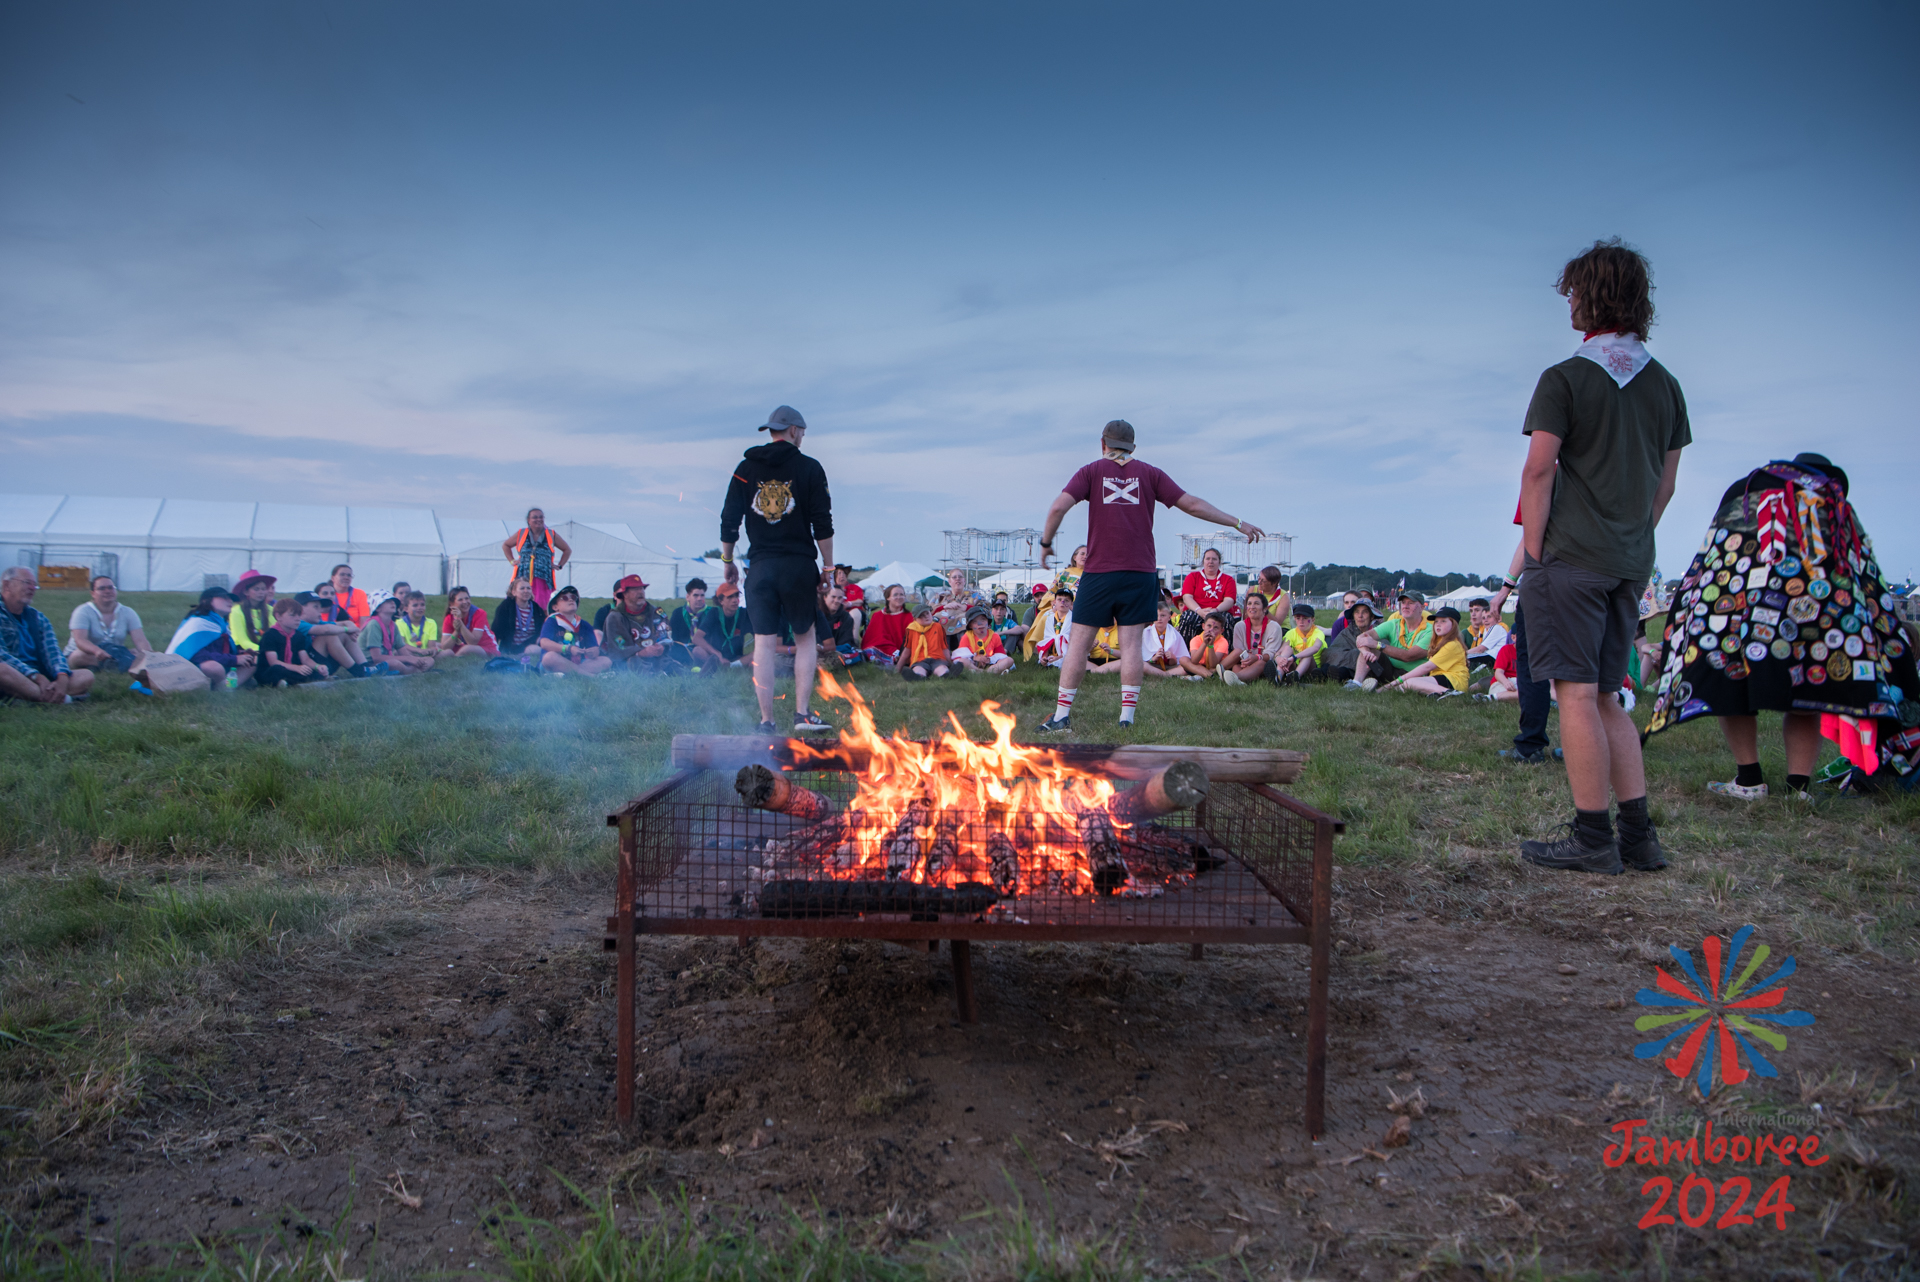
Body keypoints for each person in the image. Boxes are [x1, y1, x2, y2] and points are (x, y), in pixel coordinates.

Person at [1516, 239, 1690, 875]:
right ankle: (1638, 836)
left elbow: (1539, 471)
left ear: (1591, 295)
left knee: (1576, 697)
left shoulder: (1565, 377)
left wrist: (1536, 555)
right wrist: (1631, 539)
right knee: (1611, 695)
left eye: (1573, 290)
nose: (1568, 302)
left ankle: (1592, 837)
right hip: (1630, 560)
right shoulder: (1666, 385)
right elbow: (1664, 485)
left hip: (1570, 557)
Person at [1645, 452, 1919, 798]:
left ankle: (1749, 779)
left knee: (1730, 680)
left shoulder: (1747, 491)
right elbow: (1858, 571)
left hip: (1742, 606)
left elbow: (1715, 558)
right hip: (1818, 614)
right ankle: (1798, 787)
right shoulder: (1833, 501)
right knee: (1806, 687)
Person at [1036, 419, 1264, 731]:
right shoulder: (1150, 473)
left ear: (1103, 442)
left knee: (1078, 644)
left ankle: (1061, 716)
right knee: (1131, 646)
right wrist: (1237, 523)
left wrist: (1046, 544)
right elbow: (1193, 504)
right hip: (1140, 572)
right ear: (1133, 447)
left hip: (1100, 572)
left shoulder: (1090, 471)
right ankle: (1126, 720)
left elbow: (1057, 509)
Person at [719, 405, 836, 734]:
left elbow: (729, 520)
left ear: (772, 431)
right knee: (805, 638)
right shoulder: (810, 468)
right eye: (803, 432)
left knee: (763, 644)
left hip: (761, 567)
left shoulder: (744, 468)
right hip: (797, 565)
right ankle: (801, 715)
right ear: (795, 430)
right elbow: (823, 525)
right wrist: (828, 567)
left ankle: (766, 721)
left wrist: (728, 562)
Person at [0, 567, 95, 704]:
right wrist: (35, 676)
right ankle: (59, 698)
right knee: (1, 669)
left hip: (39, 679)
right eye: (27, 583)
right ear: (7, 585)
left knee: (87, 676)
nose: (32, 588)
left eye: (34, 584)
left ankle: (31, 696)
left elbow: (53, 652)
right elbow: (2, 655)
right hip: (15, 675)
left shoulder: (38, 618)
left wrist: (62, 677)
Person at [65, 575, 151, 673]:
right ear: (93, 593)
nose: (107, 591)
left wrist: (150, 657)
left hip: (114, 653)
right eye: (102, 588)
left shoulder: (128, 612)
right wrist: (97, 651)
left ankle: (107, 666)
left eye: (111, 588)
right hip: (87, 653)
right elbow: (80, 640)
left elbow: (140, 640)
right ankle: (121, 665)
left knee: (138, 653)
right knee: (78, 656)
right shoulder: (83, 611)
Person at [167, 586, 248, 687]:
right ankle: (224, 687)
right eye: (224, 598)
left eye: (230, 598)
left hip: (220, 662)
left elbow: (222, 650)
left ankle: (228, 686)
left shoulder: (222, 625)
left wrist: (241, 654)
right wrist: (234, 659)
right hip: (189, 667)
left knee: (253, 661)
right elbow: (198, 656)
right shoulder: (198, 622)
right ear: (207, 601)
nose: (229, 601)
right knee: (213, 667)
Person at [1381, 606, 1471, 696]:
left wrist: (1396, 681)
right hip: (1440, 677)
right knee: (1402, 687)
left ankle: (1449, 693)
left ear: (1454, 625)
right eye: (1436, 621)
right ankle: (1439, 693)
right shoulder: (1439, 642)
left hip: (1454, 680)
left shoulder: (1452, 644)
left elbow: (1427, 667)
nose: (1438, 624)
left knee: (1409, 683)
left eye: (1443, 621)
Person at [600, 574, 677, 673]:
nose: (640, 592)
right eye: (635, 589)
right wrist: (641, 652)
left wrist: (662, 646)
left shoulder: (657, 612)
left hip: (656, 658)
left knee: (674, 668)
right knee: (634, 663)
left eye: (641, 588)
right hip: (629, 661)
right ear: (625, 594)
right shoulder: (615, 618)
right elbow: (619, 646)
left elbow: (666, 634)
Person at [502, 509, 571, 610]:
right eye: (535, 517)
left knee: (542, 607)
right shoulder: (521, 533)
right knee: (517, 606)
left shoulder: (551, 534)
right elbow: (506, 545)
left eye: (541, 517)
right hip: (522, 576)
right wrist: (512, 561)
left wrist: (560, 565)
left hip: (543, 579)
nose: (538, 519)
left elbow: (567, 550)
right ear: (528, 520)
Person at [254, 599, 331, 687]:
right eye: (292, 615)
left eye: (299, 615)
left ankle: (287, 682)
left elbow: (305, 659)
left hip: (291, 668)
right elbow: (273, 662)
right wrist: (296, 668)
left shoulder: (298, 635)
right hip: (271, 670)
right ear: (278, 616)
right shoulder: (270, 635)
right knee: (276, 669)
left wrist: (317, 666)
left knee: (310, 670)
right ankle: (282, 682)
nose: (297, 618)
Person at [538, 585, 612, 676]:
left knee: (606, 661)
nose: (571, 600)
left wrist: (593, 652)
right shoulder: (551, 621)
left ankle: (568, 673)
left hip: (580, 663)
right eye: (564, 598)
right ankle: (590, 676)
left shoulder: (584, 625)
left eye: (573, 597)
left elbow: (596, 650)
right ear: (555, 607)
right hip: (555, 662)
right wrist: (568, 648)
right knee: (549, 657)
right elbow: (544, 643)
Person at [1221, 591, 1285, 686]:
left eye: (1256, 603)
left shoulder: (1274, 627)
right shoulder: (1240, 626)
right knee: (1235, 665)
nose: (1252, 607)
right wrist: (1245, 661)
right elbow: (1240, 651)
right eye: (1249, 603)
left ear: (1265, 609)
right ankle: (1216, 672)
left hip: (1264, 663)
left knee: (1261, 664)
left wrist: (1256, 658)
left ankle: (1235, 678)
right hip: (1245, 664)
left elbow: (1270, 655)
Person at [1179, 548, 1238, 642]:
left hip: (1219, 611)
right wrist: (1199, 611)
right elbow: (1187, 597)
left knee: (1226, 620)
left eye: (1214, 559)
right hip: (1197, 610)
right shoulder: (1192, 577)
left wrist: (1215, 610)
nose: (1211, 562)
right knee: (1188, 618)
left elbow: (1229, 600)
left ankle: (1225, 653)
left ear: (1219, 562)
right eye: (1208, 559)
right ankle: (1186, 653)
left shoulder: (1228, 580)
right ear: (1203, 561)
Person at [667, 578, 723, 672]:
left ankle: (710, 668)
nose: (699, 599)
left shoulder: (711, 613)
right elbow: (674, 638)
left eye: (702, 595)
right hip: (683, 650)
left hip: (704, 650)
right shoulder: (678, 613)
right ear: (687, 597)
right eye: (695, 595)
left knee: (698, 651)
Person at [359, 596, 427, 673]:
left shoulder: (393, 625)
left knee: (429, 660)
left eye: (393, 601)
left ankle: (409, 671)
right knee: (395, 663)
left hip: (387, 660)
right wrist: (408, 659)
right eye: (387, 601)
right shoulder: (373, 624)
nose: (392, 603)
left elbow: (403, 651)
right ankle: (412, 671)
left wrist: (414, 660)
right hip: (371, 665)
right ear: (377, 608)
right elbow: (376, 658)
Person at [1373, 591, 1434, 675]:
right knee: (1368, 648)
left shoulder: (1430, 631)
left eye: (1411, 603)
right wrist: (1365, 650)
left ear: (1422, 607)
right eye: (1403, 603)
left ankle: (1370, 680)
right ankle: (1357, 682)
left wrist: (1377, 645)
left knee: (1371, 645)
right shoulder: (1394, 623)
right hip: (1391, 669)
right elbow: (1363, 637)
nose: (1405, 606)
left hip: (1413, 674)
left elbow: (1408, 656)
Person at [1325, 600, 1378, 686]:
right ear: (1353, 615)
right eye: (1357, 612)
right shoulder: (1347, 633)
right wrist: (1357, 655)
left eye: (1364, 612)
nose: (1360, 616)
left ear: (1372, 616)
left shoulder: (1379, 632)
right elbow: (1332, 653)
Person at [492, 577, 547, 658]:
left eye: (528, 588)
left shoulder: (536, 609)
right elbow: (496, 630)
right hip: (510, 646)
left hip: (529, 644)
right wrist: (494, 650)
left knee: (539, 649)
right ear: (514, 592)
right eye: (522, 588)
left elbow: (542, 629)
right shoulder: (505, 607)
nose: (526, 591)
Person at [228, 570, 277, 659]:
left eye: (263, 589)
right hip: (244, 651)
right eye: (256, 589)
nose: (261, 592)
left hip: (267, 650)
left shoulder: (270, 609)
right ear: (246, 592)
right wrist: (266, 650)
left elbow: (275, 632)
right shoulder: (236, 611)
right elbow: (243, 640)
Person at [860, 583, 911, 667]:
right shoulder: (878, 615)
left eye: (901, 594)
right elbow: (873, 638)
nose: (899, 597)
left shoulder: (910, 616)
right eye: (895, 595)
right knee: (869, 652)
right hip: (881, 648)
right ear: (888, 598)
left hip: (902, 650)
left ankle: (892, 661)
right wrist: (891, 649)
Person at [900, 603, 954, 679]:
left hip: (937, 659)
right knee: (918, 669)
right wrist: (898, 669)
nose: (926, 617)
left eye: (927, 613)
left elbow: (944, 647)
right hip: (919, 660)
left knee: (942, 668)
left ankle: (946, 675)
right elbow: (907, 650)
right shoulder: (911, 629)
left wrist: (950, 664)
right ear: (915, 619)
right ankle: (919, 677)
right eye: (921, 615)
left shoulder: (938, 627)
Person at [1279, 601, 1327, 683]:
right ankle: (1278, 675)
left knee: (1307, 654)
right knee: (1287, 648)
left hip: (1312, 667)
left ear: (1312, 620)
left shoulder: (1318, 633)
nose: (1301, 621)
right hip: (1293, 664)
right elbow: (1280, 651)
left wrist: (1294, 657)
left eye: (1305, 618)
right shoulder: (1291, 633)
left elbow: (1315, 648)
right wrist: (1280, 660)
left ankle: (1295, 677)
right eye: (1298, 618)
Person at [440, 586, 496, 656]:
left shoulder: (479, 613)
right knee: (438, 645)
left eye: (467, 598)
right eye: (460, 600)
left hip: (487, 648)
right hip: (466, 645)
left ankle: (454, 659)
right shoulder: (449, 618)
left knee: (466, 649)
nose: (465, 602)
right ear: (452, 604)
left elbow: (472, 642)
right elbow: (445, 647)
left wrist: (459, 621)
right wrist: (456, 632)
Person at [1141, 598, 1190, 677]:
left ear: (1169, 617)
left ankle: (1163, 675)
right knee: (1142, 666)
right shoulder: (1146, 633)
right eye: (1156, 616)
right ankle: (1166, 675)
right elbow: (1143, 657)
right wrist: (1153, 658)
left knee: (1186, 667)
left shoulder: (1175, 634)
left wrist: (1173, 658)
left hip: (1171, 667)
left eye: (1163, 615)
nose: (1159, 619)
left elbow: (1179, 659)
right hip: (1153, 666)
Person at [1465, 597, 1509, 680]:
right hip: (1491, 657)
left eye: (1489, 617)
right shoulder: (1486, 630)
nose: (1485, 620)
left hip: (1494, 657)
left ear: (1498, 618)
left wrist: (1462, 654)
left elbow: (1480, 649)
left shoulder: (1497, 627)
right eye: (1483, 618)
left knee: (1464, 659)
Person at [1178, 612, 1231, 679]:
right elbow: (1194, 661)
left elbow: (1213, 665)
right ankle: (1209, 675)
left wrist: (1210, 645)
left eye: (1216, 628)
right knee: (1183, 659)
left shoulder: (1223, 641)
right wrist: (1204, 643)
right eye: (1209, 626)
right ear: (1203, 626)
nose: (1211, 630)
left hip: (1213, 667)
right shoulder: (1196, 639)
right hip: (1198, 666)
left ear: (1221, 631)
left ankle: (1205, 676)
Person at [1031, 588, 1073, 668]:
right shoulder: (1049, 619)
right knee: (1043, 662)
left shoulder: (1074, 620)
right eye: (1059, 599)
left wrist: (1059, 657)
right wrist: (1044, 657)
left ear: (1071, 604)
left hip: (1067, 655)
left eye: (1066, 600)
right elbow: (1047, 640)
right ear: (1054, 602)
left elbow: (1074, 645)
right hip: (1052, 654)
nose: (1062, 602)